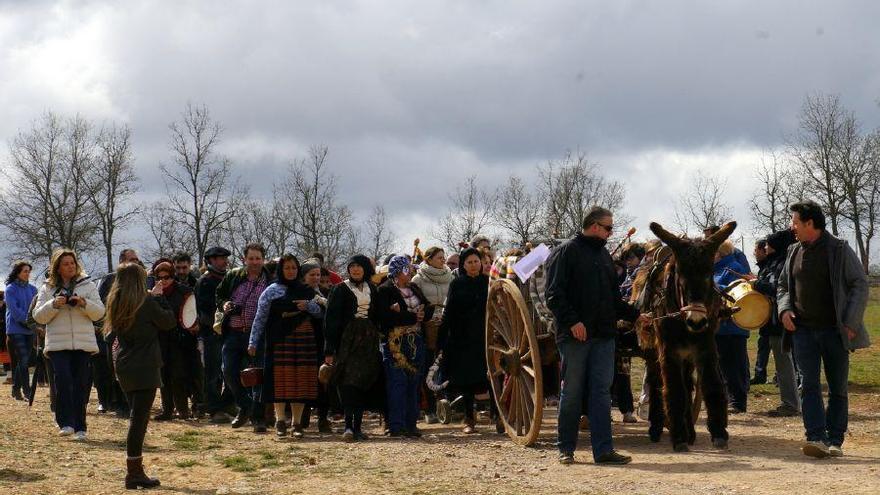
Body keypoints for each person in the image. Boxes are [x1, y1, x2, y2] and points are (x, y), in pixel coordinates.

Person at [545, 206, 644, 465]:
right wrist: (573, 321)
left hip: (604, 335)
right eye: (609, 227)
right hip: (575, 336)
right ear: (594, 225)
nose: (611, 233)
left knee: (601, 393)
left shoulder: (604, 257)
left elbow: (612, 299)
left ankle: (603, 450)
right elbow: (554, 294)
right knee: (573, 392)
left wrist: (636, 315)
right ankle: (565, 448)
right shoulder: (565, 252)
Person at [778, 200, 870, 458]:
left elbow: (860, 284)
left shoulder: (839, 249)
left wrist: (851, 322)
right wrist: (784, 310)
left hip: (835, 331)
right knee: (808, 384)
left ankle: (835, 440)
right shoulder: (793, 251)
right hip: (803, 331)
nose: (791, 226)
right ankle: (816, 436)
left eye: (795, 221)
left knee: (837, 387)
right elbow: (783, 285)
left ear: (810, 223)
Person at [105, 262, 176, 490]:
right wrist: (158, 297)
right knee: (139, 420)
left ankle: (134, 470)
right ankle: (134, 472)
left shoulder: (115, 303)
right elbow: (168, 322)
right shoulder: (146, 302)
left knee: (136, 417)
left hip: (124, 365)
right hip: (145, 366)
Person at [33, 248, 105, 440]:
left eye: (72, 263)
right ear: (57, 267)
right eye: (65, 263)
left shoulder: (88, 285)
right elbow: (38, 316)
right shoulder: (47, 288)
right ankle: (65, 422)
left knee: (80, 384)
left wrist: (83, 303)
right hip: (58, 344)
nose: (70, 266)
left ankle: (81, 426)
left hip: (82, 343)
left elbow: (100, 313)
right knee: (63, 382)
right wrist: (54, 305)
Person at [248, 255, 322, 438]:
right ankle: (280, 421)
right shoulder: (271, 291)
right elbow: (260, 318)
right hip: (278, 341)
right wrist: (253, 341)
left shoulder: (307, 290)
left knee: (301, 381)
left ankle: (297, 424)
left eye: (294, 268)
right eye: (287, 268)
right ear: (281, 270)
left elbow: (321, 313)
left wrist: (309, 306)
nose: (291, 271)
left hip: (304, 341)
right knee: (278, 381)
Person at [324, 255, 383, 442]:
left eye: (359, 266)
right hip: (347, 340)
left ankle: (358, 427)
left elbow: (377, 316)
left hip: (368, 341)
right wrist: (329, 350)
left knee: (363, 382)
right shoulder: (339, 289)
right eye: (352, 266)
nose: (356, 269)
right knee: (348, 383)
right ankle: (348, 426)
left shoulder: (373, 289)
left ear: (366, 268)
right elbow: (331, 321)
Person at [439, 247, 497, 434]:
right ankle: (469, 418)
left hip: (485, 336)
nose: (474, 265)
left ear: (481, 264)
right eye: (469, 262)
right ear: (463, 265)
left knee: (491, 377)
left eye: (476, 262)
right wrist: (443, 336)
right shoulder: (457, 284)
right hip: (462, 337)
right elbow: (448, 312)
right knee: (466, 380)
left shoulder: (488, 282)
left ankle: (497, 416)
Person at [216, 242, 271, 431]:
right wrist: (224, 305)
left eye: (258, 258)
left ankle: (258, 418)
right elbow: (220, 294)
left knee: (258, 376)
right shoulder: (234, 276)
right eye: (251, 258)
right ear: (244, 259)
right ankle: (245, 406)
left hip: (259, 335)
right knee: (228, 371)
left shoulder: (270, 279)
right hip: (234, 332)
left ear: (263, 259)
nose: (254, 262)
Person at [377, 256, 433, 438]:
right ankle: (396, 425)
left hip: (415, 340)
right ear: (398, 271)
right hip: (395, 342)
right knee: (397, 382)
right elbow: (384, 318)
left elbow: (426, 306)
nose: (410, 272)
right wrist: (410, 317)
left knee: (414, 382)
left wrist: (423, 314)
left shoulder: (414, 288)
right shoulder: (385, 291)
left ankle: (411, 424)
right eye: (407, 269)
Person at [753, 230, 800, 417]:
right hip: (771, 322)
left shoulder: (785, 264)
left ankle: (791, 404)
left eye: (769, 244)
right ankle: (789, 402)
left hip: (781, 321)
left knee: (785, 363)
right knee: (783, 364)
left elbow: (779, 289)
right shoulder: (772, 263)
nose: (765, 247)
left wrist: (756, 284)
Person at [151, 260, 201, 420]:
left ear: (172, 277)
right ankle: (167, 409)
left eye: (166, 277)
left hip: (181, 340)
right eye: (160, 278)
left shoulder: (185, 292)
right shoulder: (152, 294)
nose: (163, 281)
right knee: (164, 375)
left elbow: (189, 313)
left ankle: (183, 409)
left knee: (179, 375)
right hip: (161, 339)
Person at [411, 246, 453, 424]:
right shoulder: (418, 279)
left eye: (444, 257)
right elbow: (414, 303)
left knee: (447, 364)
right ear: (428, 259)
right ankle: (429, 409)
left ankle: (448, 404)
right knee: (429, 367)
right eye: (439, 258)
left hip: (447, 325)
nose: (443, 260)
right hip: (426, 328)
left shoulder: (450, 276)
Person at [98, 248, 142, 418]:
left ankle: (132, 403)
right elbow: (102, 304)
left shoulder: (141, 279)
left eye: (137, 260)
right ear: (122, 261)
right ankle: (118, 403)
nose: (136, 262)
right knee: (116, 368)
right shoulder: (110, 279)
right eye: (133, 259)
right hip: (115, 331)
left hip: (136, 332)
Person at [195, 246, 235, 423]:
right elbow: (204, 309)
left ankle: (227, 403)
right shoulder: (205, 281)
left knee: (231, 369)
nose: (225, 261)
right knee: (213, 372)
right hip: (212, 332)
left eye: (225, 258)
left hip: (229, 330)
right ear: (211, 260)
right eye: (220, 258)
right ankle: (213, 408)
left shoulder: (228, 278)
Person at [713, 240, 752, 414]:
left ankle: (738, 401)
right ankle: (726, 398)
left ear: (719, 253)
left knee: (735, 365)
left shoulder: (735, 268)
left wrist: (714, 287)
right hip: (719, 327)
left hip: (733, 325)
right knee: (722, 364)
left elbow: (737, 293)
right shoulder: (717, 269)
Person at [298, 259, 332, 433]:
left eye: (318, 274)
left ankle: (323, 418)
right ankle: (301, 418)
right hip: (302, 341)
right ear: (304, 276)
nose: (316, 278)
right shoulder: (297, 292)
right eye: (312, 274)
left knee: (322, 379)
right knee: (304, 378)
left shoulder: (326, 293)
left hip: (321, 340)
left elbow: (330, 316)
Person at [5, 261, 37, 401]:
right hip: (15, 329)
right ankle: (27, 390)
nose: (27, 273)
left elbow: (37, 309)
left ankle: (15, 390)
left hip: (30, 330)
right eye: (25, 271)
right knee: (23, 360)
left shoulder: (33, 289)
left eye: (29, 271)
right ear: (17, 272)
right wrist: (29, 322)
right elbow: (15, 311)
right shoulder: (10, 289)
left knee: (23, 361)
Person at [751, 239, 772, 385]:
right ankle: (760, 374)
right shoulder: (764, 267)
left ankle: (784, 376)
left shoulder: (771, 266)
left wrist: (755, 283)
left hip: (774, 313)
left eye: (756, 250)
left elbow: (772, 287)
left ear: (763, 251)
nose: (754, 253)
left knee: (780, 347)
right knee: (763, 342)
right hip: (766, 313)